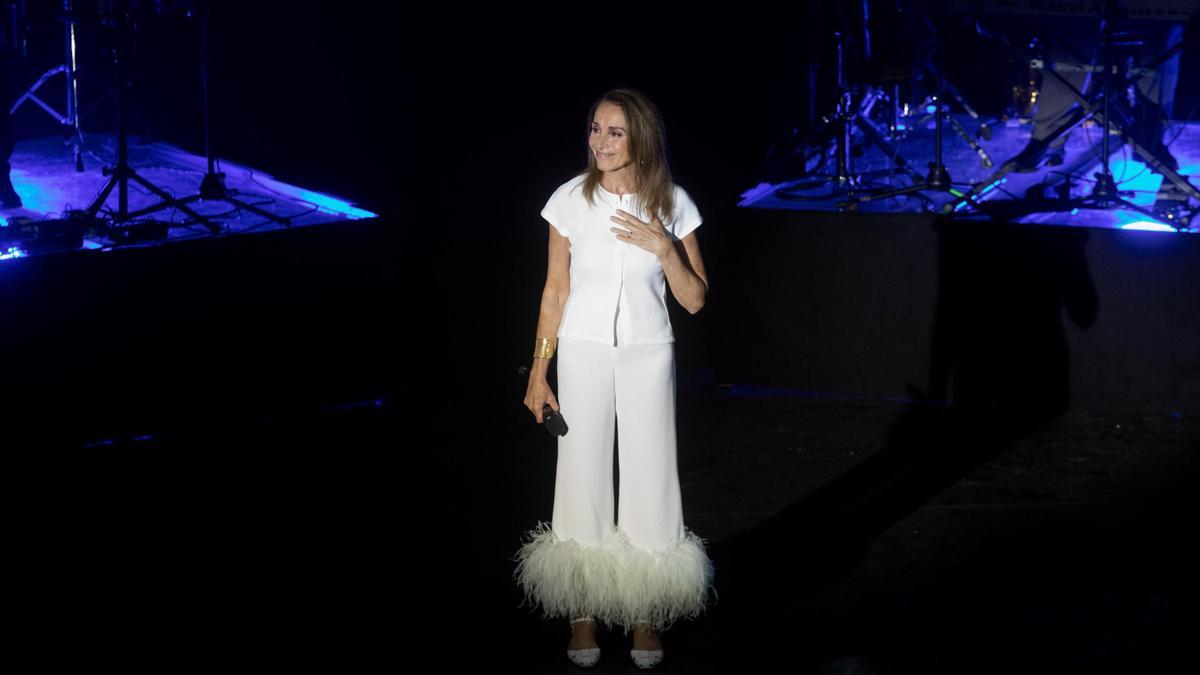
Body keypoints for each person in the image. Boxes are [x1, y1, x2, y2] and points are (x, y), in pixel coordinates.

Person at [514, 88, 714, 670]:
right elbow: (555, 290)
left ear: (641, 139)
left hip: (649, 351)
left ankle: (646, 616)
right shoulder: (570, 201)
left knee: (651, 476)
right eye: (595, 130)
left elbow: (696, 300)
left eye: (614, 132)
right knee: (581, 474)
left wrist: (665, 248)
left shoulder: (674, 202)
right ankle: (582, 613)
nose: (600, 142)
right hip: (582, 349)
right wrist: (538, 370)